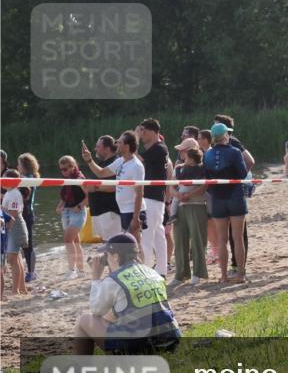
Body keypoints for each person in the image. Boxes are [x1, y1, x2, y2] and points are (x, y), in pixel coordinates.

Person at [73, 233, 181, 355]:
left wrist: (96, 278)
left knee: (83, 321)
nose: (106, 260)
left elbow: (96, 310)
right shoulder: (152, 272)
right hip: (171, 339)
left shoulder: (114, 280)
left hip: (143, 346)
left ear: (116, 257)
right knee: (114, 312)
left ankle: (81, 367)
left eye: (107, 255)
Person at [203, 123, 249, 283]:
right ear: (226, 136)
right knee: (237, 237)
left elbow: (207, 179)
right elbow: (243, 174)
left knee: (221, 239)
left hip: (218, 198)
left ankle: (223, 276)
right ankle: (241, 274)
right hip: (235, 196)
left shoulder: (207, 154)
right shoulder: (234, 152)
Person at [81, 132, 147, 242]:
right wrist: (89, 160)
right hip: (123, 210)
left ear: (127, 146)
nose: (116, 144)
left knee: (135, 245)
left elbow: (139, 194)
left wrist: (136, 218)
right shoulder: (121, 161)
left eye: (119, 142)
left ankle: (141, 260)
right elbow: (101, 173)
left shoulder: (136, 166)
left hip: (133, 211)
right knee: (127, 246)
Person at [215, 115, 255, 277]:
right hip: (222, 193)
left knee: (238, 233)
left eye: (217, 125)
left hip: (235, 191)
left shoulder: (233, 142)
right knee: (227, 234)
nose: (214, 128)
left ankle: (239, 267)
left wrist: (240, 177)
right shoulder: (216, 145)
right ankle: (234, 267)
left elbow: (250, 161)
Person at [137, 119, 171, 275]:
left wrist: (134, 142)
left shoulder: (159, 148)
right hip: (154, 197)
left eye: (143, 131)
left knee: (147, 235)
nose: (141, 134)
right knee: (158, 235)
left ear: (153, 131)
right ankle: (161, 270)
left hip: (153, 197)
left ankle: (147, 271)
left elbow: (138, 161)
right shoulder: (156, 149)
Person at [171, 146, 209, 286]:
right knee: (180, 240)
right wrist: (178, 195)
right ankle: (180, 274)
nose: (182, 155)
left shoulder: (202, 168)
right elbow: (171, 185)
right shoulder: (179, 168)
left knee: (198, 240)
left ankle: (198, 272)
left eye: (184, 153)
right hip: (181, 206)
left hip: (197, 205)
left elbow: (204, 186)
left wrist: (189, 195)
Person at [55, 155, 88, 278]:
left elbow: (89, 196)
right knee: (75, 242)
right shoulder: (66, 179)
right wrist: (60, 206)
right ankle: (81, 270)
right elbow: (64, 197)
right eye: (61, 169)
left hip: (78, 212)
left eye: (65, 169)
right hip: (66, 212)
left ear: (73, 167)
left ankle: (71, 270)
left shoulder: (79, 178)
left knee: (68, 240)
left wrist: (79, 206)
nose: (63, 172)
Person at [85, 136, 122, 242]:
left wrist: (96, 188)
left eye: (98, 146)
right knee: (106, 242)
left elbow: (116, 186)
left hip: (109, 210)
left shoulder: (115, 162)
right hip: (99, 210)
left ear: (107, 148)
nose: (95, 149)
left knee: (113, 243)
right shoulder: (101, 165)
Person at [1, 170, 29, 295]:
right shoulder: (10, 193)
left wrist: (7, 230)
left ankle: (15, 290)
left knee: (12, 258)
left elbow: (13, 214)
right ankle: (21, 287)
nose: (2, 181)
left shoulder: (14, 194)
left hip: (15, 226)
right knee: (16, 257)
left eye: (4, 179)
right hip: (14, 225)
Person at [15, 153, 39, 282]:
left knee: (28, 245)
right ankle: (28, 270)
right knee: (24, 245)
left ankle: (31, 272)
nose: (17, 166)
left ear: (24, 165)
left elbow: (24, 196)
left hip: (27, 214)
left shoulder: (28, 178)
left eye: (19, 164)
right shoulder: (25, 177)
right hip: (24, 213)